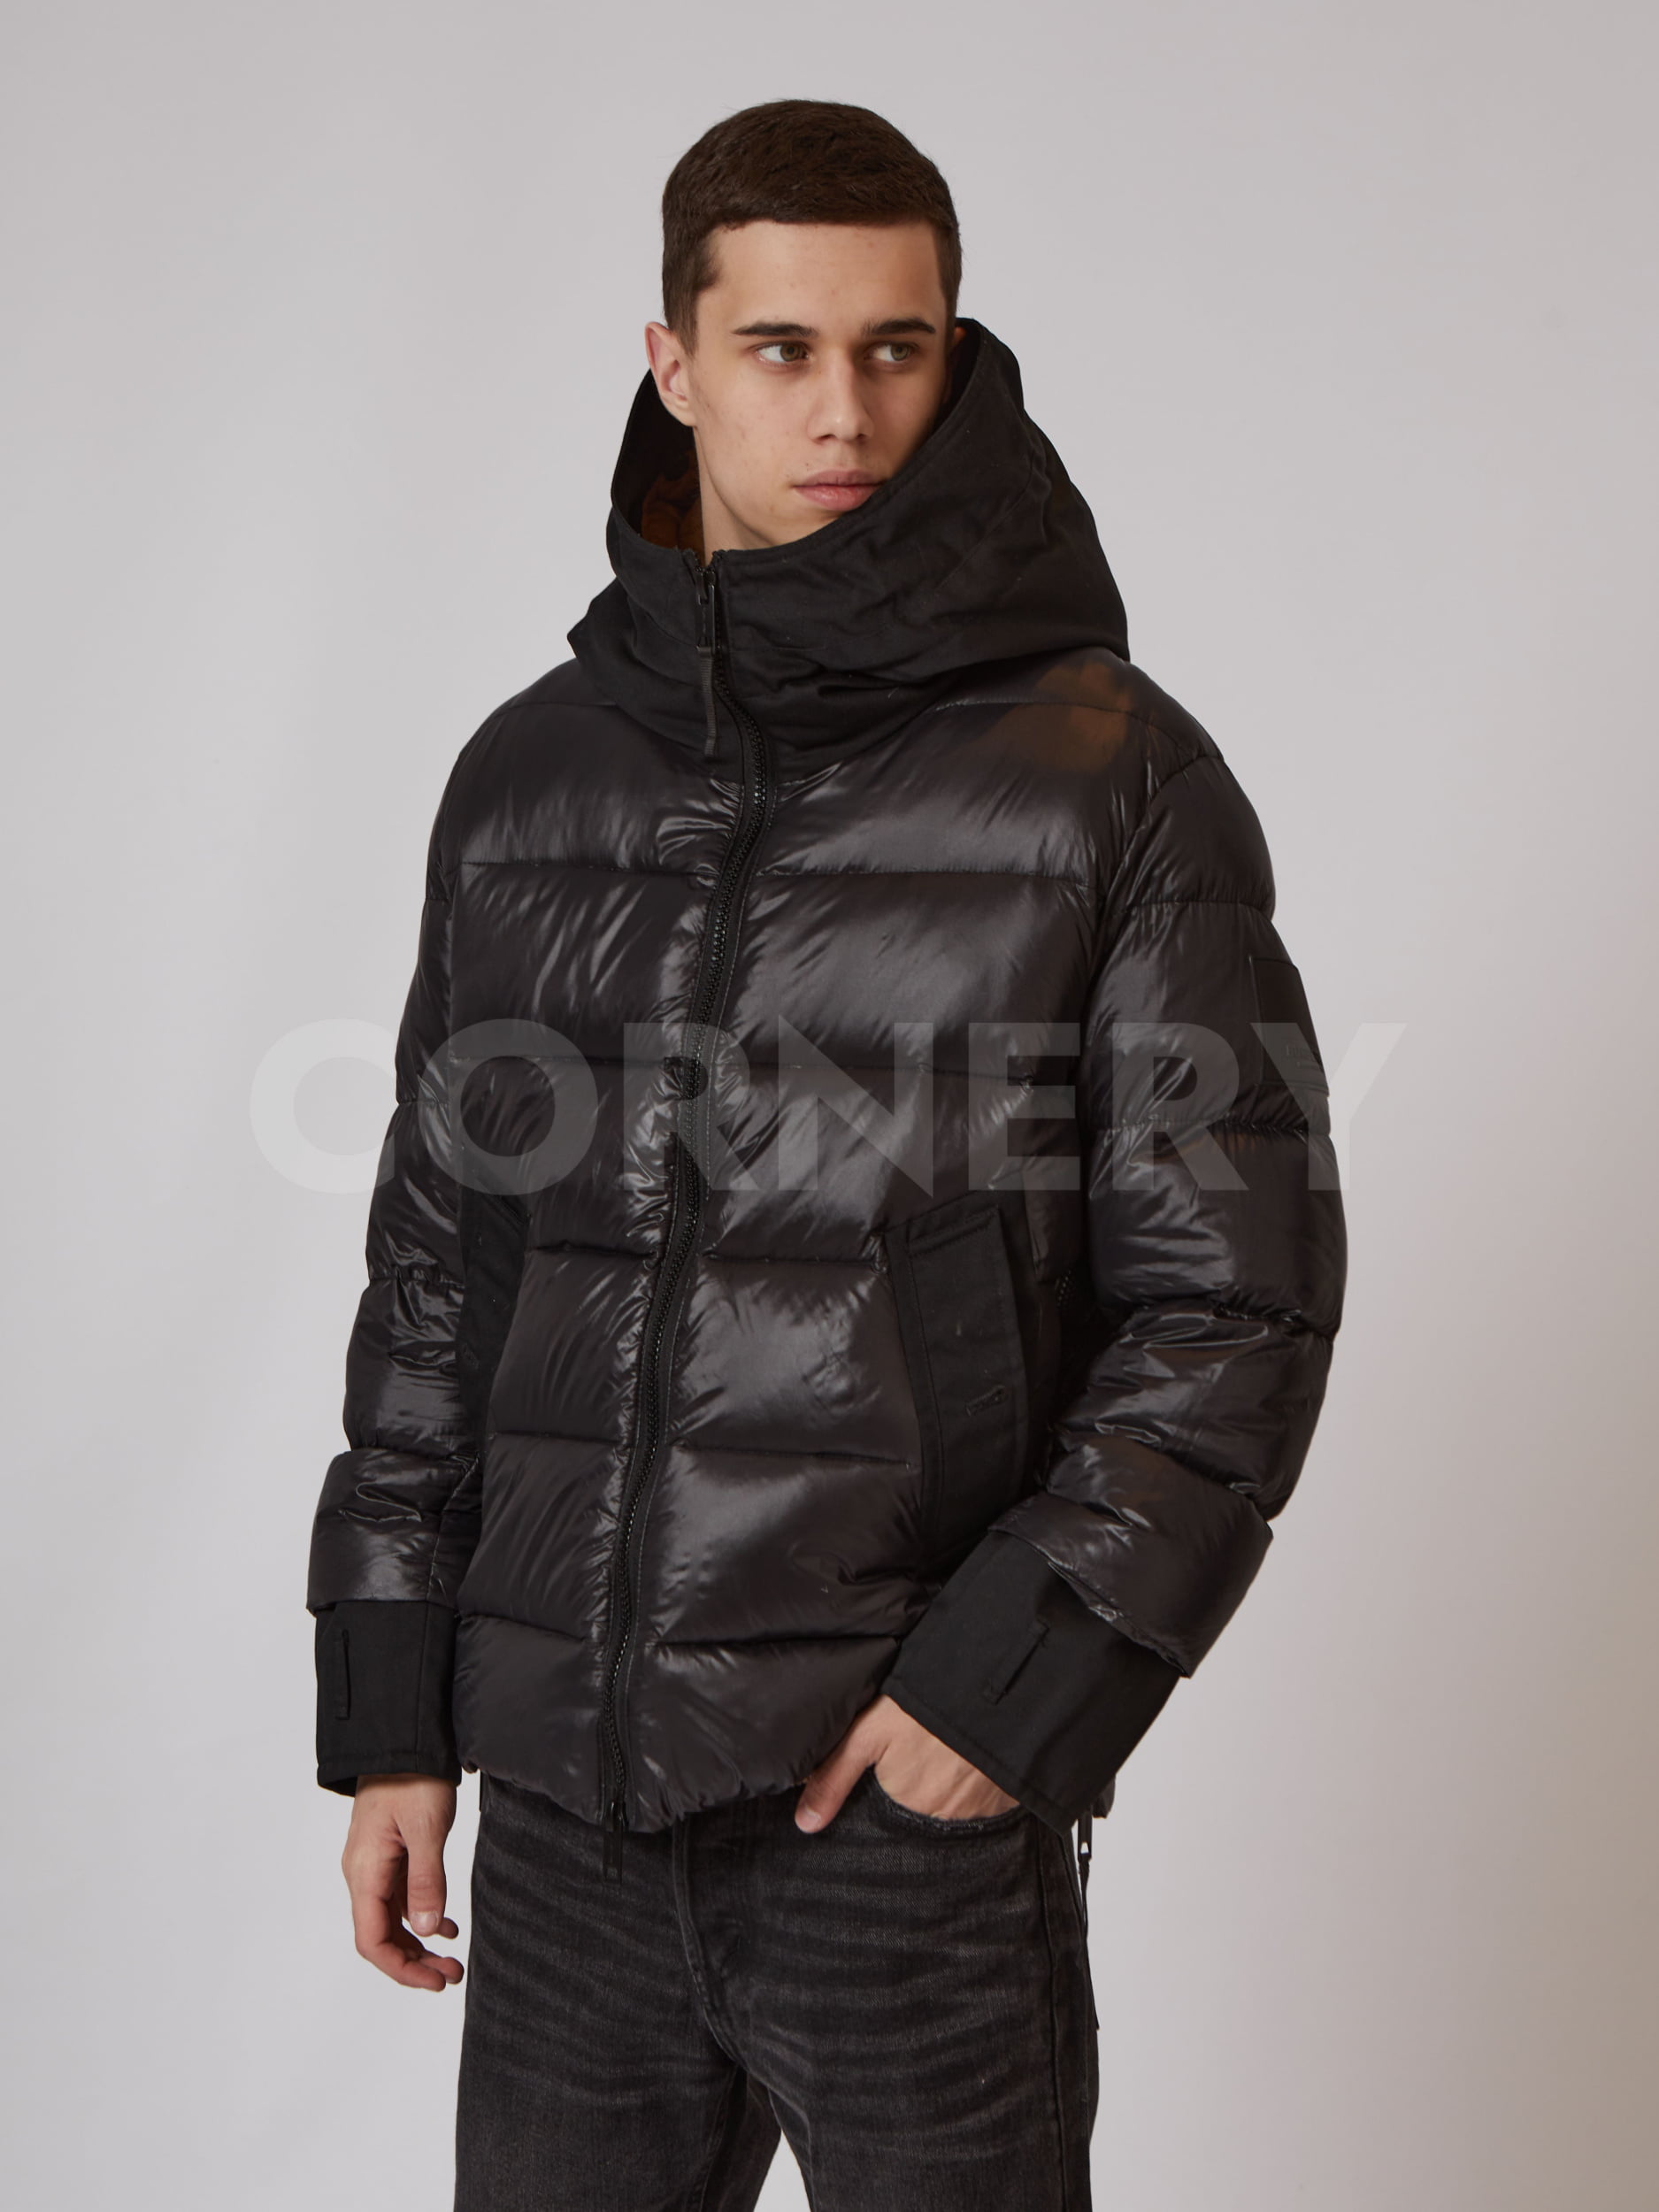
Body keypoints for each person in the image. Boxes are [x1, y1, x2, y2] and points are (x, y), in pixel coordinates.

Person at [307, 98, 1346, 2212]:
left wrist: (1007, 1694)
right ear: (674, 363)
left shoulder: (1109, 779)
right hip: (567, 1819)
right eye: (779, 347)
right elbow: (442, 1273)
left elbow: (1231, 1297)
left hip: (894, 1816)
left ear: (954, 353)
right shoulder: (529, 777)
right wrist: (395, 1703)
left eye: (895, 346)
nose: (844, 407)